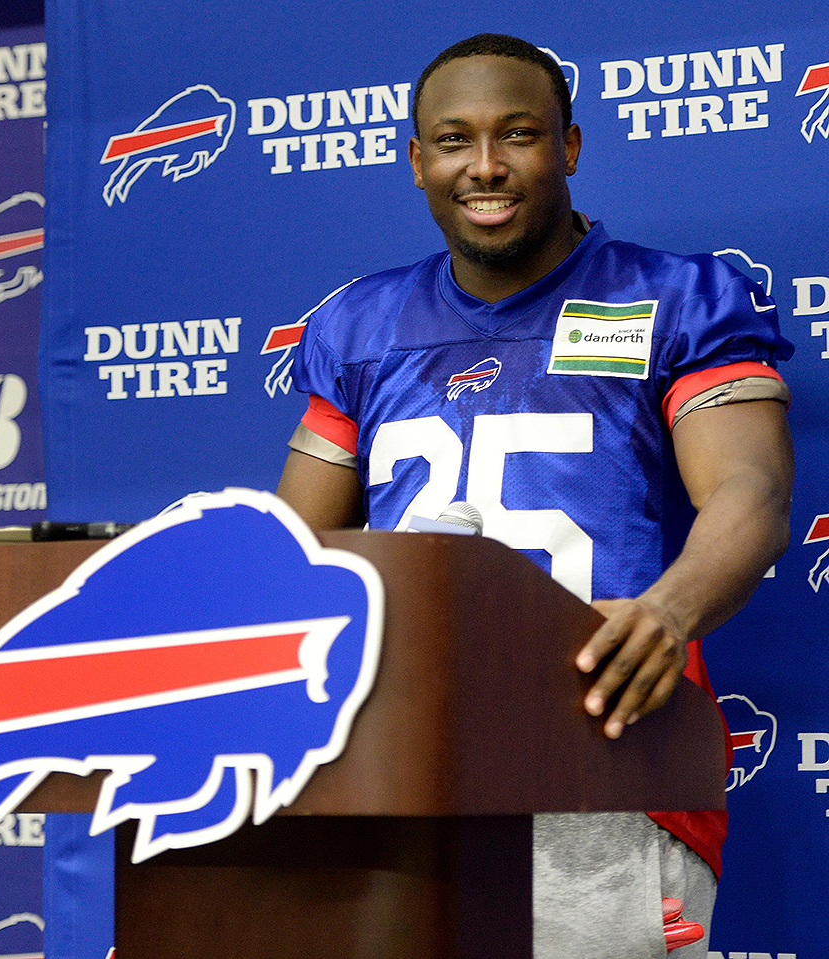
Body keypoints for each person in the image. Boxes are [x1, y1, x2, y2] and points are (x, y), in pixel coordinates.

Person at [275, 33, 794, 959]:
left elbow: (750, 490)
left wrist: (667, 610)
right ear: (416, 160)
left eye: (517, 135)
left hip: (603, 758)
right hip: (408, 762)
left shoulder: (675, 297)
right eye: (454, 140)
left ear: (571, 147)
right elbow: (290, 552)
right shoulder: (357, 324)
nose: (485, 166)